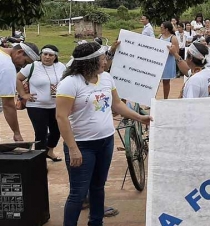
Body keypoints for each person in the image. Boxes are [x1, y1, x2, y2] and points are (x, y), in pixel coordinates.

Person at [56, 42, 152, 226]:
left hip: (105, 142)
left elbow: (117, 104)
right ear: (91, 62)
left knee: (98, 187)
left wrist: (140, 118)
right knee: (78, 192)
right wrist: (73, 149)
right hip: (82, 145)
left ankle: (96, 222)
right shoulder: (69, 83)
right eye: (102, 59)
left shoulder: (107, 78)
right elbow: (61, 117)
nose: (106, 62)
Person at [16, 44, 66, 161]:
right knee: (41, 133)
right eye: (45, 54)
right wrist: (23, 95)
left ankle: (49, 150)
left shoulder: (61, 67)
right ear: (41, 55)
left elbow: (67, 81)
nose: (47, 57)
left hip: (56, 105)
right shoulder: (33, 66)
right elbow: (17, 78)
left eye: (50, 55)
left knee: (57, 131)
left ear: (55, 57)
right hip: (36, 106)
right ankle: (39, 161)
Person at [1, 42, 39, 141]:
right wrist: (16, 133)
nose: (23, 66)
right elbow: (8, 105)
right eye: (25, 62)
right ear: (20, 52)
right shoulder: (7, 66)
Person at [158, 21, 179, 98]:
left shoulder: (173, 38)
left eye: (161, 27)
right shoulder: (160, 36)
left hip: (168, 62)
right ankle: (152, 100)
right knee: (155, 81)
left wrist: (170, 51)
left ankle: (165, 99)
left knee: (166, 81)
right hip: (159, 61)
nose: (160, 29)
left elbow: (177, 51)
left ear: (166, 29)